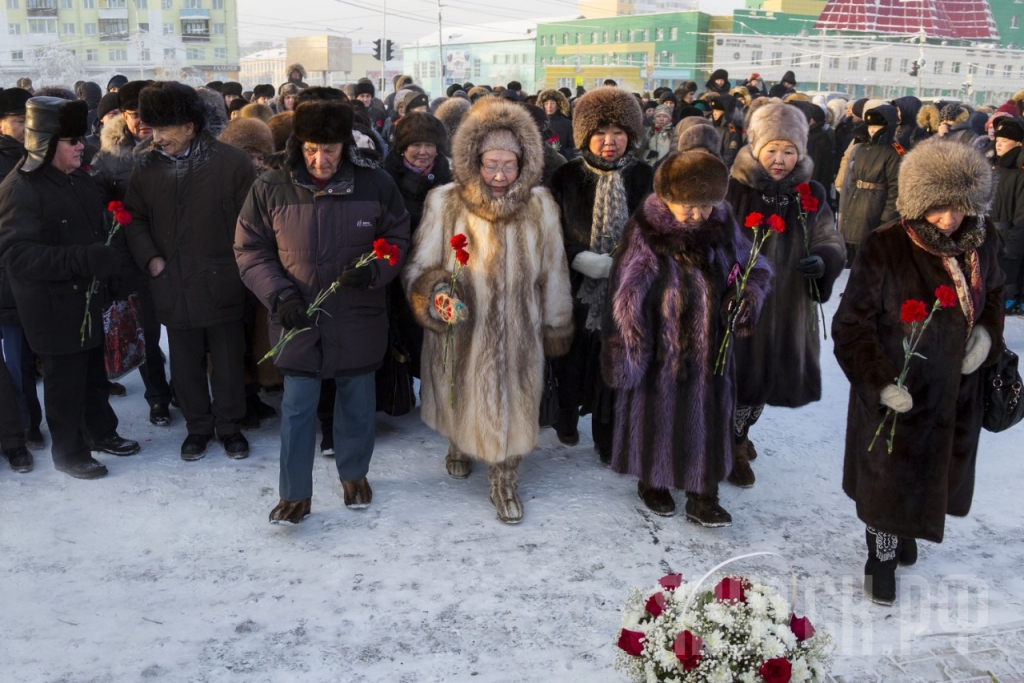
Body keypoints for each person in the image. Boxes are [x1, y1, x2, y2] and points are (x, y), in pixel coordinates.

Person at [832, 139, 1005, 606]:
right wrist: (879, 383)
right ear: (917, 201)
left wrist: (986, 338)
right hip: (899, 390)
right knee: (889, 478)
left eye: (959, 207)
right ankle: (881, 557)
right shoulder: (886, 245)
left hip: (956, 391)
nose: (950, 219)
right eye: (938, 207)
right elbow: (850, 324)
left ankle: (906, 529)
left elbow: (994, 295)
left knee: (933, 474)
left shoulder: (983, 239)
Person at [236, 99, 410, 523]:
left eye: (330, 149)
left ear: (345, 145)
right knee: (297, 408)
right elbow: (250, 249)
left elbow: (398, 238)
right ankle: (295, 493)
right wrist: (279, 295)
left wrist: (372, 274)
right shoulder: (271, 185)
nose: (321, 159)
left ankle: (354, 475)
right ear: (299, 143)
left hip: (357, 316)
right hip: (298, 316)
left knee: (356, 402)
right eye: (312, 148)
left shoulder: (376, 183)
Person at [403, 98, 573, 524]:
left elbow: (553, 270)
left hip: (521, 331)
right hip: (463, 327)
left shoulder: (540, 206)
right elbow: (421, 265)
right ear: (473, 160)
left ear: (526, 164)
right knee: (461, 391)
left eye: (509, 166)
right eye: (490, 164)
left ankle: (504, 477)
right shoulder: (445, 201)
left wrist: (556, 322)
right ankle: (460, 441)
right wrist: (436, 296)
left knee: (515, 403)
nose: (499, 176)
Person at [602, 149, 771, 525]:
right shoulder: (647, 229)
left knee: (709, 414)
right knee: (658, 411)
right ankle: (654, 479)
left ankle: (703, 492)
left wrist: (744, 301)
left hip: (712, 345)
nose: (696, 214)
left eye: (705, 205)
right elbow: (626, 291)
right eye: (686, 206)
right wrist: (629, 347)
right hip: (663, 344)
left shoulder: (723, 225)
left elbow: (755, 267)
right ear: (666, 198)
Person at [0, 96, 140, 479]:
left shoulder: (79, 179)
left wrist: (111, 270)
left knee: (93, 370)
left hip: (87, 298)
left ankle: (100, 432)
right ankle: (69, 451)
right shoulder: (20, 188)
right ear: (45, 142)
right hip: (50, 306)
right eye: (71, 140)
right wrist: (83, 259)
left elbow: (97, 232)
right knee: (64, 382)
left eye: (81, 137)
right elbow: (17, 256)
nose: (82, 145)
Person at [123, 82, 256, 460]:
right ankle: (197, 427)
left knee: (229, 361)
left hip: (222, 279)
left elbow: (252, 223)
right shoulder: (146, 164)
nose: (157, 137)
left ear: (189, 126)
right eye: (153, 127)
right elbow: (134, 218)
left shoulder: (231, 163)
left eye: (165, 129)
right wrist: (151, 258)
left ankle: (230, 427)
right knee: (184, 363)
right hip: (172, 281)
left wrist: (239, 264)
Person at [725, 101, 846, 487]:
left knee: (766, 380)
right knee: (737, 378)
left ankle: (740, 434)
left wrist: (824, 260)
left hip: (789, 304)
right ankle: (732, 443)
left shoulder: (810, 193)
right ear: (756, 147)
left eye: (789, 150)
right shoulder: (733, 187)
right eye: (772, 149)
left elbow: (831, 236)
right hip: (742, 305)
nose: (780, 159)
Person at [549, 86, 654, 465]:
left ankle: (607, 432)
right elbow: (548, 232)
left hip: (628, 287)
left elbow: (656, 230)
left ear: (631, 136)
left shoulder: (645, 177)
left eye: (618, 133)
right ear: (585, 136)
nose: (609, 142)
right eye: (600, 133)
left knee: (615, 358)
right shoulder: (564, 177)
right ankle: (565, 417)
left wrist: (630, 261)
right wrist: (579, 258)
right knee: (571, 355)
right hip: (575, 286)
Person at [89, 80, 175, 426]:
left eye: (146, 114)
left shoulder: (174, 147)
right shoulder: (108, 159)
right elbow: (98, 214)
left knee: (185, 330)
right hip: (135, 260)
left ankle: (185, 388)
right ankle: (158, 398)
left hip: (179, 252)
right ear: (121, 117)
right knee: (149, 334)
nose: (141, 122)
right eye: (132, 115)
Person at [382, 111, 451, 383]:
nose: (423, 152)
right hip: (398, 269)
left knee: (435, 333)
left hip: (438, 269)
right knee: (403, 330)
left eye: (429, 145)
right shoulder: (387, 178)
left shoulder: (449, 177)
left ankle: (435, 389)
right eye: (415, 145)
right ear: (403, 148)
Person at [838, 105, 902, 266]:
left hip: (875, 206)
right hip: (856, 202)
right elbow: (851, 178)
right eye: (871, 126)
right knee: (854, 254)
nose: (873, 130)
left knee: (871, 255)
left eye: (877, 126)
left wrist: (887, 218)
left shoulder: (894, 151)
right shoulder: (861, 148)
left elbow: (896, 188)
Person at [990, 117, 1024, 313]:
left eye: (1005, 140)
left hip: (1008, 240)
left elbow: (1022, 217)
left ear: (1018, 143)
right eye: (998, 139)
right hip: (990, 235)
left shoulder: (1019, 172)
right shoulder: (993, 166)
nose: (999, 143)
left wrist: (1012, 250)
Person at [537, 89, 576, 160]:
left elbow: (573, 146)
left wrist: (561, 154)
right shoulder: (538, 123)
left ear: (558, 105)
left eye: (552, 103)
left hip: (562, 162)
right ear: (542, 106)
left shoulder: (567, 124)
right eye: (546, 103)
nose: (549, 106)